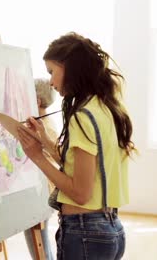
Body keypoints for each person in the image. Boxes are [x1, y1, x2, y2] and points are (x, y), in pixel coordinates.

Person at [16, 32, 135, 259]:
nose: (50, 81)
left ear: (69, 67)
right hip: (110, 230)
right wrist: (45, 141)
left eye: (52, 71)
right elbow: (82, 165)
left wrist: (37, 157)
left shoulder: (82, 116)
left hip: (85, 233)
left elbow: (80, 193)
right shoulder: (105, 107)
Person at [23, 78, 58, 260]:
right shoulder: (44, 124)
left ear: (36, 101)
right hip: (43, 192)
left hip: (43, 193)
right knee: (40, 243)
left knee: (39, 246)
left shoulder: (44, 128)